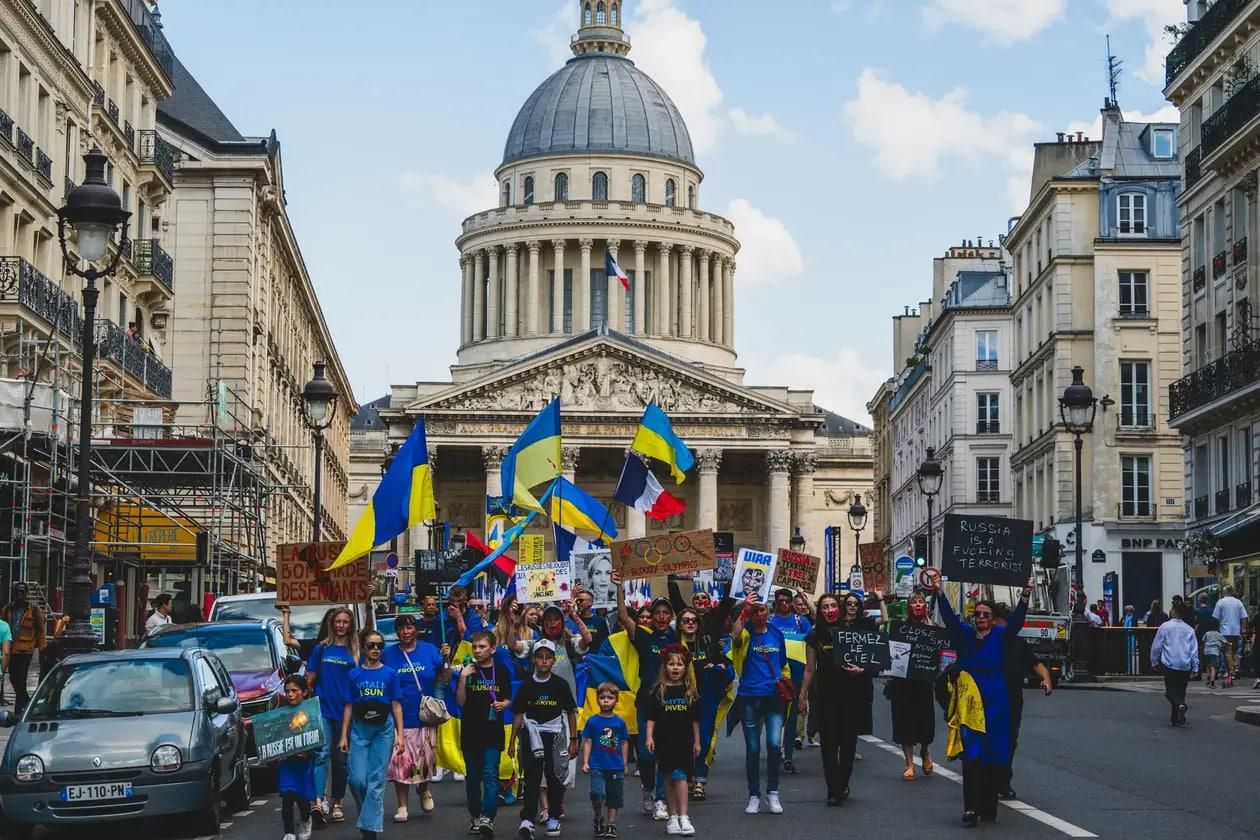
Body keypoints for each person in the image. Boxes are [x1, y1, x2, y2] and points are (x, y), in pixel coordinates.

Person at [934, 578, 1031, 827]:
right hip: (970, 705)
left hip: (996, 704)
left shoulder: (1000, 635)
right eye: (977, 614)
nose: (981, 618)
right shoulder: (965, 634)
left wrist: (1025, 596)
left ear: (993, 618)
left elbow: (1017, 623)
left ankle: (989, 807)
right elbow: (949, 619)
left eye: (986, 614)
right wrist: (939, 592)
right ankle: (971, 808)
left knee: (992, 756)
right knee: (972, 757)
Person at [799, 592, 882, 806]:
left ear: (840, 608)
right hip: (825, 696)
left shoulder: (852, 630)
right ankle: (832, 789)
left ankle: (843, 782)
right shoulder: (815, 636)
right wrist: (802, 697)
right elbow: (809, 669)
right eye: (825, 607)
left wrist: (861, 670)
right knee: (828, 744)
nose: (829, 610)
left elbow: (874, 658)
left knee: (847, 744)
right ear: (820, 611)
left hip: (852, 696)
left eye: (833, 606)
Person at [612, 576, 678, 821]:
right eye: (657, 612)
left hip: (671, 702)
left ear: (670, 616)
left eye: (665, 613)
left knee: (664, 752)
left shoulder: (676, 637)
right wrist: (619, 587)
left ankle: (661, 798)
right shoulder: (644, 637)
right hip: (647, 702)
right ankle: (649, 789)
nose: (661, 616)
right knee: (646, 754)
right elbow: (623, 618)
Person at [382, 613, 449, 822]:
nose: (405, 632)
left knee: (424, 760)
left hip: (424, 716)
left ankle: (424, 788)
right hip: (399, 717)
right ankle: (402, 806)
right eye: (401, 628)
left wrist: (446, 659)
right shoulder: (387, 654)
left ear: (416, 630)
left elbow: (444, 679)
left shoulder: (429, 651)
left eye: (409, 628)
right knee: (400, 762)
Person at [508, 639, 578, 840]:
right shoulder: (527, 685)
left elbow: (571, 713)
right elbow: (519, 714)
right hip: (532, 735)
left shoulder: (560, 685)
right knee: (531, 779)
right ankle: (527, 820)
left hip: (555, 734)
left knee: (555, 778)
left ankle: (554, 816)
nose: (544, 661)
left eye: (548, 658)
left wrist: (573, 740)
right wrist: (512, 741)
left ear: (553, 661)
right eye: (540, 657)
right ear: (534, 660)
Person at [340, 629, 405, 840]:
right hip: (360, 728)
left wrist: (400, 735)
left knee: (376, 781)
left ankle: (370, 832)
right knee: (358, 780)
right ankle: (366, 818)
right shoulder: (354, 674)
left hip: (383, 729)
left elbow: (396, 705)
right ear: (363, 647)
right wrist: (343, 735)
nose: (376, 649)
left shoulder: (390, 674)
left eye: (379, 645)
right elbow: (349, 705)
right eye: (371, 645)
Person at [729, 596, 788, 815]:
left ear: (768, 612)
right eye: (755, 612)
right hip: (749, 696)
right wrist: (743, 611)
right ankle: (754, 795)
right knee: (753, 749)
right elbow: (734, 636)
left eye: (762, 610)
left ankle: (772, 792)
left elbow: (782, 663)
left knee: (774, 745)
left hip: (773, 697)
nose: (759, 614)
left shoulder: (776, 634)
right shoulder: (745, 633)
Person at [456, 631, 514, 838]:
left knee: (490, 774)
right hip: (471, 732)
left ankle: (488, 817)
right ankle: (475, 815)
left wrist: (503, 704)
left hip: (492, 732)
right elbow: (460, 702)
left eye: (482, 647)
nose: (478, 651)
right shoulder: (468, 670)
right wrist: (462, 678)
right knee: (473, 778)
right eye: (475, 647)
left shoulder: (502, 670)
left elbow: (508, 697)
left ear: (492, 649)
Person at [993, 603, 1052, 800]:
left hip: (1011, 700)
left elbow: (1036, 664)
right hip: (987, 699)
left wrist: (1046, 678)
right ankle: (986, 777)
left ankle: (1003, 780)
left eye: (999, 622)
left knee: (1009, 740)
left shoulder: (1019, 644)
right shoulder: (984, 641)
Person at [307, 606, 359, 825]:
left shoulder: (355, 651)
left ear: (350, 625)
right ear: (331, 623)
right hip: (323, 709)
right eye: (338, 621)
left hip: (346, 712)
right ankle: (318, 801)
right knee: (320, 754)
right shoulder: (321, 648)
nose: (341, 625)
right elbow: (310, 679)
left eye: (345, 622)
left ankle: (337, 801)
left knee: (341, 759)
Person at [675, 606, 732, 800]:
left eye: (694, 620)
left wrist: (718, 666)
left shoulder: (707, 643)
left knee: (705, 739)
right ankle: (688, 778)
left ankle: (700, 781)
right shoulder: (674, 645)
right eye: (686, 620)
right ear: (679, 625)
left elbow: (725, 662)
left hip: (705, 698)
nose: (691, 623)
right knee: (685, 741)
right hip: (681, 699)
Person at [643, 645, 700, 836]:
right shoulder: (659, 691)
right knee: (668, 777)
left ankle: (685, 816)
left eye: (679, 664)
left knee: (681, 776)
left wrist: (697, 741)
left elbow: (695, 720)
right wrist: (649, 737)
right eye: (671, 664)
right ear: (665, 667)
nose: (675, 668)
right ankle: (672, 816)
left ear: (685, 668)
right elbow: (651, 718)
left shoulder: (689, 691)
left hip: (684, 740)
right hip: (664, 740)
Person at [885, 591, 937, 782]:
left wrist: (928, 619)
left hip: (923, 683)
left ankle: (925, 752)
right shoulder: (900, 628)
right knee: (904, 724)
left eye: (920, 602)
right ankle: (909, 763)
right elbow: (891, 652)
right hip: (902, 684)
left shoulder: (931, 627)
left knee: (925, 724)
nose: (917, 605)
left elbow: (937, 642)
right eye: (914, 602)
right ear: (908, 607)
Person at [768, 588, 810, 774]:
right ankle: (775, 749)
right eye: (780, 601)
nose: (784, 604)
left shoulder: (800, 621)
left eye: (787, 601)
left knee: (792, 717)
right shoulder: (770, 622)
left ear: (792, 602)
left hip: (797, 676)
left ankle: (788, 757)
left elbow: (811, 641)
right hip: (776, 678)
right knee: (776, 716)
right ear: (776, 603)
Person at [581, 681, 630, 839]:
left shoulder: (620, 722)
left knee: (614, 796)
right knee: (597, 793)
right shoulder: (593, 721)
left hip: (615, 766)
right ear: (597, 700)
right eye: (602, 697)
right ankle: (598, 817)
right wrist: (586, 761)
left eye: (610, 697)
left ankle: (611, 824)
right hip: (597, 765)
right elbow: (588, 741)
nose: (606, 700)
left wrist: (624, 763)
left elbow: (623, 742)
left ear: (616, 700)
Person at [275, 675, 316, 840]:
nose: (290, 694)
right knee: (287, 796)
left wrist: (309, 751)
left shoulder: (311, 712)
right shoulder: (280, 715)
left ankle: (306, 819)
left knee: (302, 798)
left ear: (304, 692)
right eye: (287, 691)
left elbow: (317, 738)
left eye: (294, 690)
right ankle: (289, 833)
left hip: (304, 764)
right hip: (287, 764)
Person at [1150, 602, 1199, 727]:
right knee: (1181, 692)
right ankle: (1176, 718)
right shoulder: (1189, 629)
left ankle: (1180, 707)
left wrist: (1154, 661)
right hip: (1185, 663)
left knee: (1170, 691)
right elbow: (1194, 649)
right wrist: (1195, 666)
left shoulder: (1165, 627)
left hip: (1170, 662)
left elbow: (1157, 646)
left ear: (1174, 611)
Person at [1, 582, 45, 714]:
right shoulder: (8, 608)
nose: (19, 595)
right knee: (14, 679)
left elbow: (41, 631)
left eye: (22, 592)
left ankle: (18, 710)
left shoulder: (35, 609)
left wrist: (42, 649)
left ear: (26, 594)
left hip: (26, 649)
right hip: (11, 648)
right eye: (17, 592)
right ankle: (27, 703)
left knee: (21, 679)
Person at [1213, 585, 1249, 685]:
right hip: (1236, 631)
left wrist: (1217, 629)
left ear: (1224, 592)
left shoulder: (1221, 602)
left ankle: (1231, 671)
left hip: (1225, 631)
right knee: (1235, 651)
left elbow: (1216, 618)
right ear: (1233, 592)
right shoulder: (1238, 602)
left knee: (1227, 652)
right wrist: (1244, 629)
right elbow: (1244, 617)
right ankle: (1236, 667)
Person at [567, 590, 609, 655]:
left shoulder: (600, 621)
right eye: (576, 600)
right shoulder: (573, 619)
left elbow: (605, 642)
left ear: (590, 603)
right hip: (577, 659)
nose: (578, 602)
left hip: (594, 659)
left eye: (581, 600)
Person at [415, 594, 456, 659]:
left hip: (439, 657)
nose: (431, 607)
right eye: (429, 605)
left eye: (433, 605)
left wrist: (448, 649)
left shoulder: (443, 624)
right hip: (421, 657)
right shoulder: (416, 624)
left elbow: (450, 643)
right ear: (423, 606)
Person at [1202, 623, 1227, 688]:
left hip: (1206, 651)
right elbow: (1225, 642)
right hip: (1214, 652)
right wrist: (1229, 643)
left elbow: (1203, 641)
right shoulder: (1219, 634)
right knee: (1213, 667)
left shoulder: (1207, 633)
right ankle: (1212, 682)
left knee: (1208, 666)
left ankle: (1208, 680)